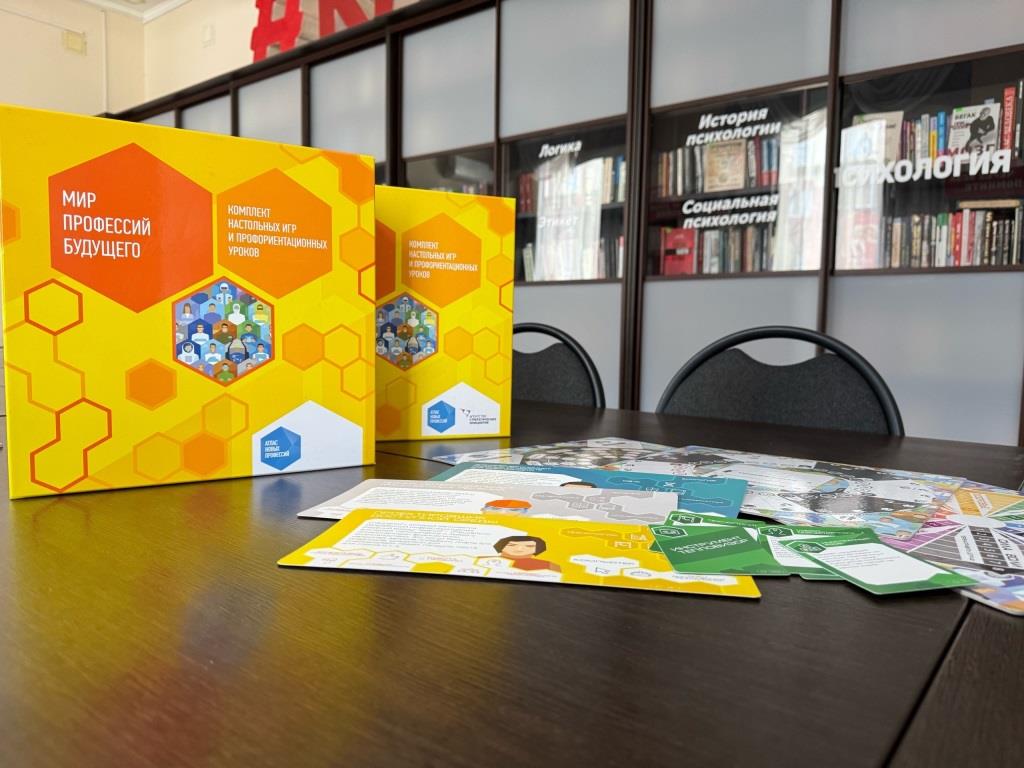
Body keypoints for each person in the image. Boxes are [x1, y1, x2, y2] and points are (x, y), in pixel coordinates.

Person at [493, 536, 561, 572]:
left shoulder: (549, 565)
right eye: (512, 545)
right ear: (501, 546)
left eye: (529, 546)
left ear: (538, 548)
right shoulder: (487, 559)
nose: (519, 549)